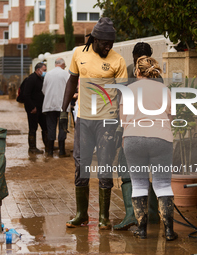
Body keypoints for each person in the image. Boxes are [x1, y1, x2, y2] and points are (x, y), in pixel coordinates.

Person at [60, 17, 128, 230]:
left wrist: (120, 124)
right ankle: (82, 214)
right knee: (81, 164)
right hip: (84, 119)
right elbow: (72, 81)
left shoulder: (118, 61)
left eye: (111, 44)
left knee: (105, 165)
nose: (108, 47)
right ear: (94, 39)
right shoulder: (79, 53)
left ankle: (104, 217)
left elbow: (124, 94)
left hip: (107, 121)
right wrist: (63, 111)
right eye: (105, 44)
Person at [120, 55, 178, 241]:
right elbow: (171, 117)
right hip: (161, 139)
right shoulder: (164, 90)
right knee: (162, 184)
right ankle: (169, 231)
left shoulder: (128, 90)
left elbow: (124, 120)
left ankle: (142, 230)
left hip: (133, 140)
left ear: (137, 71)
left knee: (138, 184)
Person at [114, 42, 161, 231]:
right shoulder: (157, 74)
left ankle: (131, 215)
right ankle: (154, 215)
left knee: (126, 173)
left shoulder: (130, 71)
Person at [42, 58, 70, 157]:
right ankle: (62, 151)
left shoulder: (48, 74)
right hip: (63, 105)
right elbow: (69, 89)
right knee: (63, 127)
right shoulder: (66, 74)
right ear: (62, 64)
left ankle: (50, 152)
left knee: (51, 127)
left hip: (49, 105)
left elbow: (44, 90)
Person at [24, 62, 48, 154]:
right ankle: (32, 148)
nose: (45, 72)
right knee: (33, 128)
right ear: (38, 70)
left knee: (45, 127)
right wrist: (32, 107)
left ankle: (48, 146)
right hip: (33, 109)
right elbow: (26, 95)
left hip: (41, 108)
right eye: (44, 70)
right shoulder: (31, 79)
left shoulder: (41, 78)